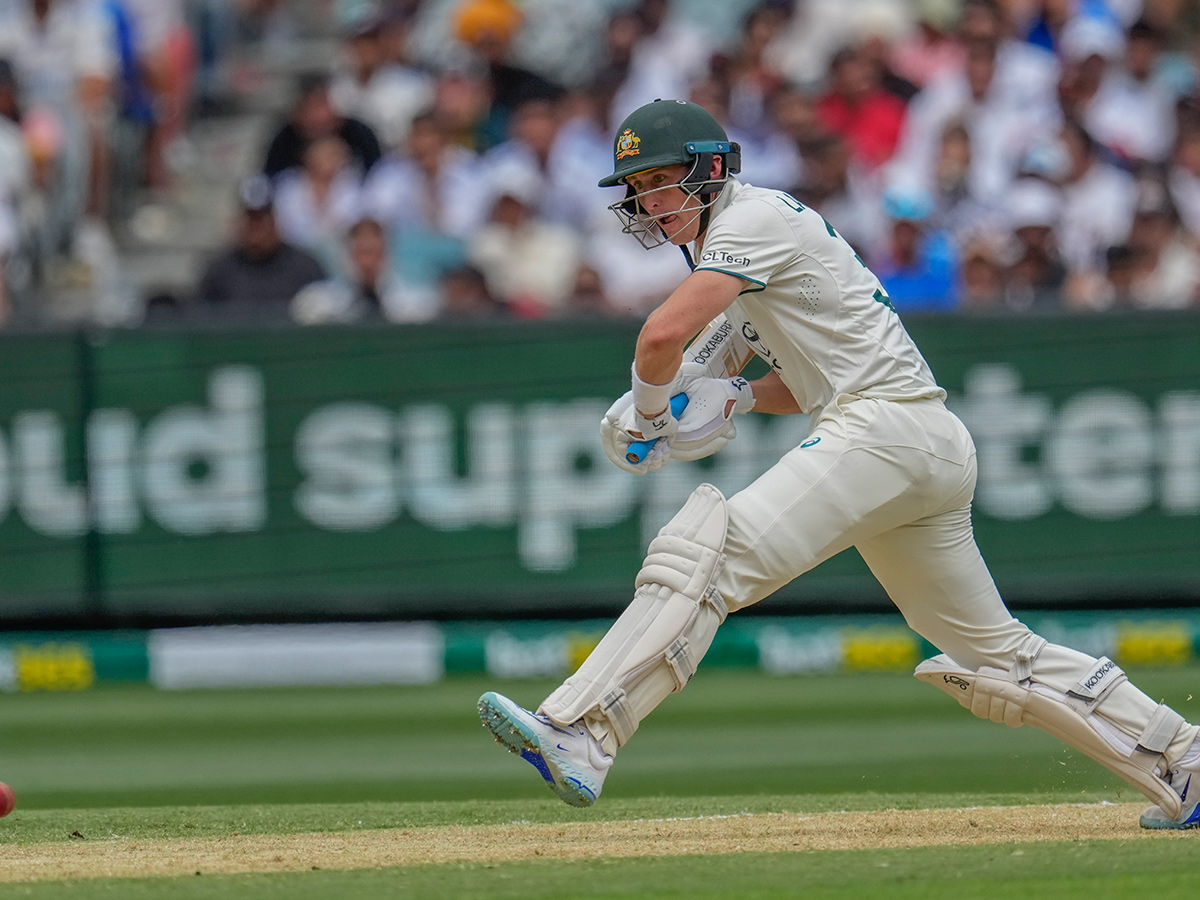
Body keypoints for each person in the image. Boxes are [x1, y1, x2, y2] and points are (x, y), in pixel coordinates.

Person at [477, 98, 1200, 830]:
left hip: (883, 431)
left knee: (705, 553)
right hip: (916, 440)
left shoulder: (750, 222)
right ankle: (1188, 762)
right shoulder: (740, 253)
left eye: (661, 180)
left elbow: (661, 336)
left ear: (711, 169)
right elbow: (797, 378)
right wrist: (733, 397)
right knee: (997, 656)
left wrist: (650, 414)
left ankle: (583, 732)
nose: (649, 202)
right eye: (637, 188)